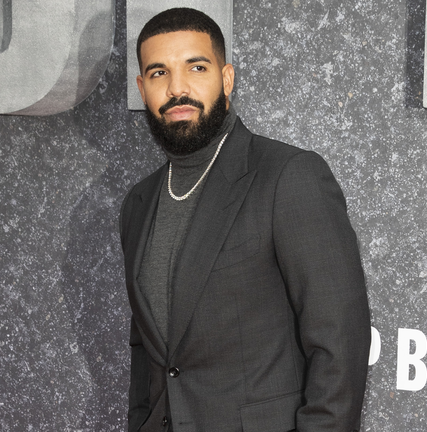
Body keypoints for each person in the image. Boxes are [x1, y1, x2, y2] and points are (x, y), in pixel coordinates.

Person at [119, 7, 371, 432]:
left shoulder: (287, 176)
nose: (177, 88)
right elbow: (147, 352)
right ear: (143, 89)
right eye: (159, 73)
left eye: (196, 67)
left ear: (226, 78)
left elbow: (339, 344)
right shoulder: (139, 203)